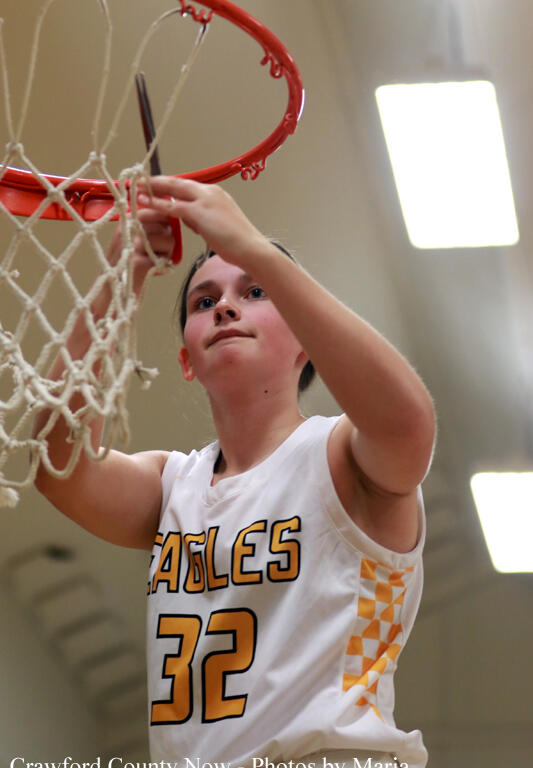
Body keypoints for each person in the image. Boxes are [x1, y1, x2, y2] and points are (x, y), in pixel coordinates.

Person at [35, 177, 436, 768]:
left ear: (305, 339)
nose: (224, 306)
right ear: (186, 361)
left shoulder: (342, 454)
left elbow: (409, 423)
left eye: (254, 292)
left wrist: (252, 247)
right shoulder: (173, 486)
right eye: (204, 302)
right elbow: (57, 463)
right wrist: (121, 277)